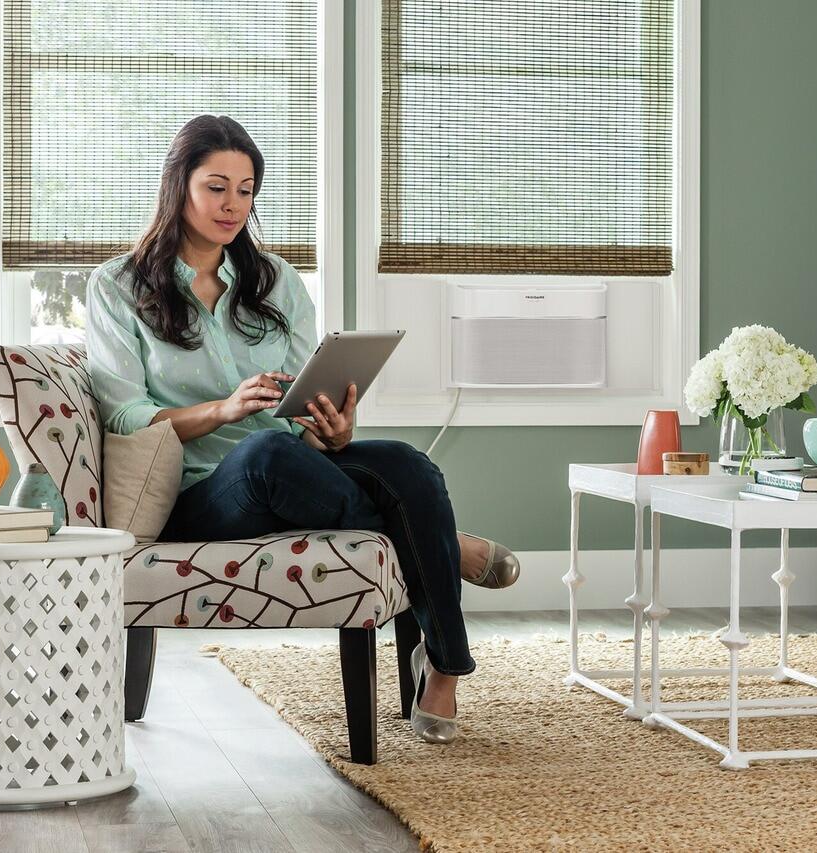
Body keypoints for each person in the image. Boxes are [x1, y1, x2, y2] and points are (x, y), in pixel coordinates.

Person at [85, 114, 518, 745]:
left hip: (297, 466)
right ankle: (443, 544)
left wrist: (332, 430)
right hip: (200, 490)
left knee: (406, 463)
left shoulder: (276, 280)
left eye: (246, 190)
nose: (233, 205)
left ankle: (445, 665)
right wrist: (223, 410)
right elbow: (123, 414)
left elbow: (303, 410)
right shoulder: (117, 286)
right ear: (178, 186)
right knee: (266, 451)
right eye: (216, 187)